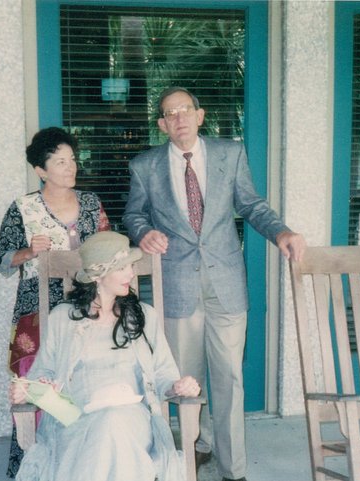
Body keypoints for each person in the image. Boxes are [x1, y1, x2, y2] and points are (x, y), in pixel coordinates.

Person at [123, 87, 306, 481]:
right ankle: (194, 451)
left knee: (229, 379)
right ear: (162, 124)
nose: (179, 118)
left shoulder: (230, 154)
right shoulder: (145, 166)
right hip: (177, 286)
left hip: (226, 283)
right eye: (170, 113)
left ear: (200, 115)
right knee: (185, 379)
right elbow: (134, 214)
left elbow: (252, 205)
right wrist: (143, 233)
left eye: (185, 110)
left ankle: (233, 469)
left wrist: (282, 233)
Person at [9, 231, 202, 481]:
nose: (131, 274)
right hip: (76, 420)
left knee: (113, 422)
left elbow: (163, 372)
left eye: (131, 266)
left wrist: (178, 386)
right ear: (98, 276)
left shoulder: (145, 317)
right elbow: (42, 373)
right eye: (123, 267)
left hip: (131, 419)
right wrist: (29, 390)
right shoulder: (62, 318)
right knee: (105, 433)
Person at [0, 126, 111, 477]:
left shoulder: (91, 203)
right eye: (60, 161)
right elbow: (0, 257)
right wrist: (29, 251)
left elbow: (109, 250)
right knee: (38, 386)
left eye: (72, 159)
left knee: (87, 383)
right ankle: (35, 468)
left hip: (88, 307)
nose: (70, 167)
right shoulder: (23, 208)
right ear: (41, 170)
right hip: (36, 311)